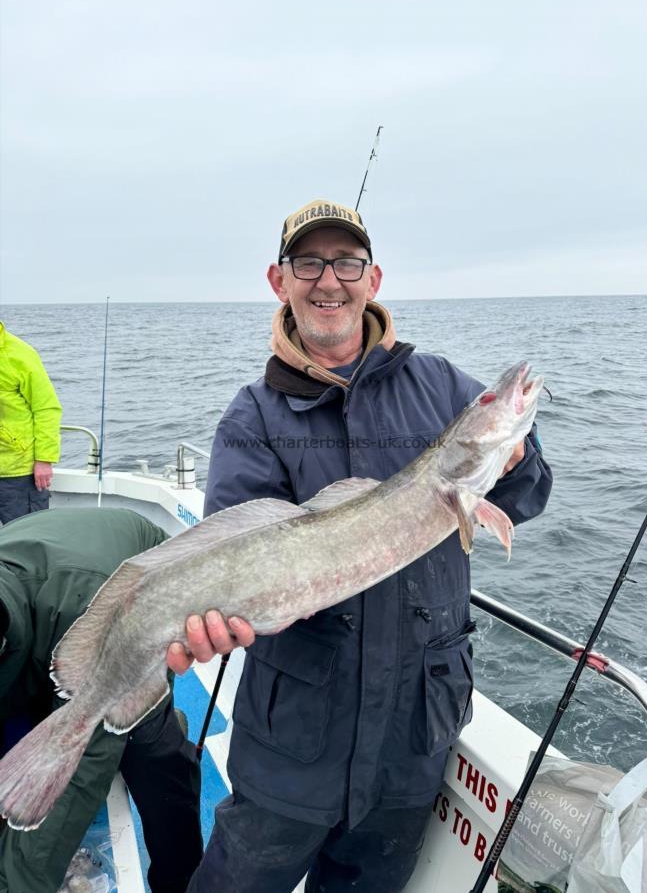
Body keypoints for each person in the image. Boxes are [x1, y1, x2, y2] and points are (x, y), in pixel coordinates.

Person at [168, 199, 553, 892]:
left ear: (372, 280)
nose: (328, 281)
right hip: (294, 746)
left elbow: (526, 494)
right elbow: (233, 545)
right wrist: (216, 618)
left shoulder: (439, 384)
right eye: (308, 263)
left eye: (346, 263)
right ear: (278, 280)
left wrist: (514, 456)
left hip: (412, 742)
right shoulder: (254, 415)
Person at [0, 507, 203, 893]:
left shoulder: (81, 606)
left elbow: (81, 768)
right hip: (45, 595)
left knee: (149, 751)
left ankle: (180, 880)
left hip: (133, 595)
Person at [0, 322, 62, 525]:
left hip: (17, 472)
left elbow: (46, 408)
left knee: (25, 539)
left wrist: (44, 458)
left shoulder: (20, 353)